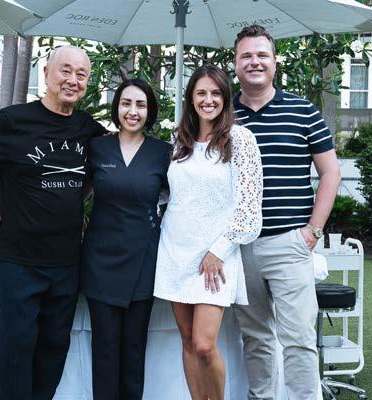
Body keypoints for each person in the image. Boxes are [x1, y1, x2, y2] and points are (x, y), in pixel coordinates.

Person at [0, 46, 107, 400]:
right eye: (65, 70)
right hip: (18, 261)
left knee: (54, 349)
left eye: (81, 74)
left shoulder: (88, 128)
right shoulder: (15, 120)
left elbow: (99, 169)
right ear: (46, 73)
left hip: (67, 262)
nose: (73, 80)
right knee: (14, 351)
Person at [231, 25, 342, 400]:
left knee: (298, 339)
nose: (255, 62)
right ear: (236, 63)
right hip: (240, 248)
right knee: (255, 338)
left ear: (275, 62)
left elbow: (331, 173)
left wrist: (313, 231)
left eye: (262, 55)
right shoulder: (223, 114)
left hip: (289, 243)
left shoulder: (303, 111)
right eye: (246, 55)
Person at [154, 65, 263, 400]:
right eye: (201, 93)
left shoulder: (240, 139)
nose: (208, 100)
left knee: (204, 343)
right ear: (191, 98)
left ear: (226, 98)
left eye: (215, 93)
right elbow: (168, 194)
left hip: (215, 255)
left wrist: (219, 250)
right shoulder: (179, 140)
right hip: (175, 249)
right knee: (187, 339)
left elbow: (249, 211)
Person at [80, 79, 171, 400]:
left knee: (134, 349)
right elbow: (75, 196)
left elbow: (179, 202)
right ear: (117, 107)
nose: (133, 111)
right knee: (104, 348)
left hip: (143, 259)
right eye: (126, 103)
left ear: (150, 111)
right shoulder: (97, 148)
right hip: (100, 261)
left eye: (141, 105)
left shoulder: (164, 153)